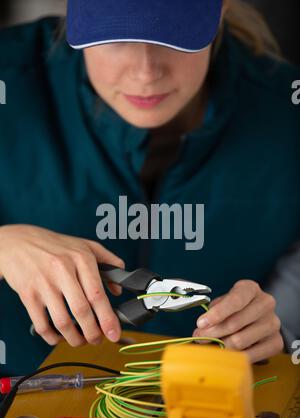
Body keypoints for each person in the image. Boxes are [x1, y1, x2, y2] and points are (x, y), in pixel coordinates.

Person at [0, 0, 299, 376]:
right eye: (116, 37)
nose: (146, 73)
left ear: (221, 10)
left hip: (209, 416)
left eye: (175, 39)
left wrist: (280, 330)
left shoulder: (287, 111)